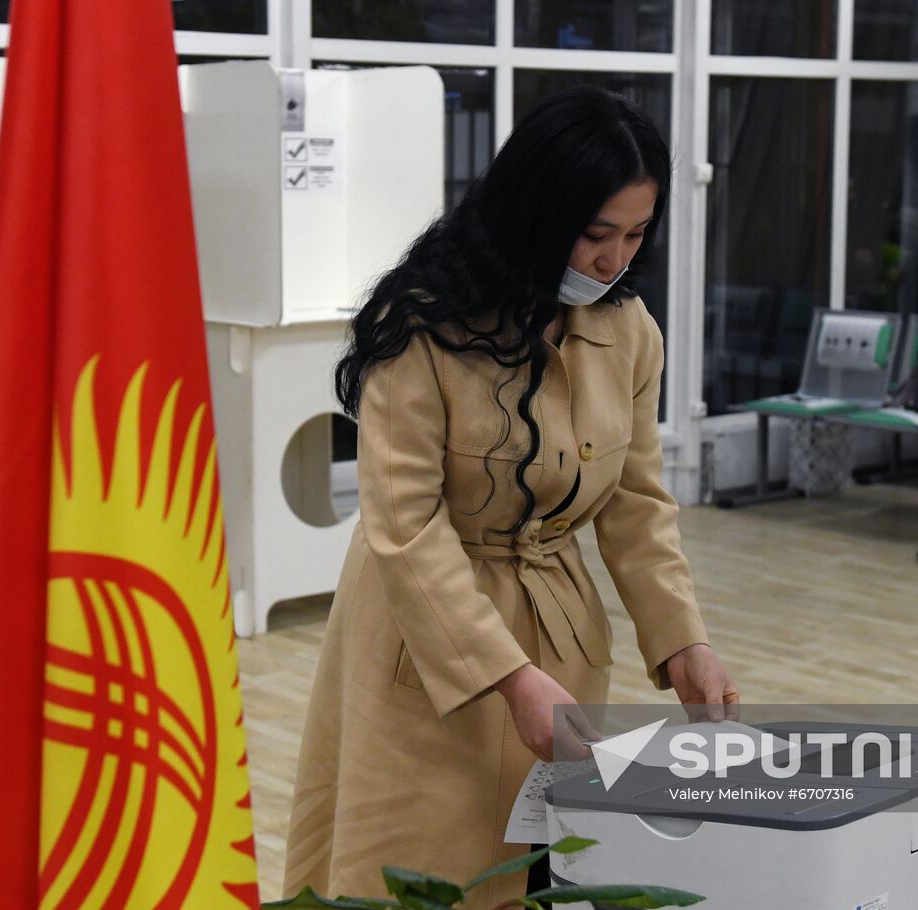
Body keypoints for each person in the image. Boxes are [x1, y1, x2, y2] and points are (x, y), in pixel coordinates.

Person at [282, 87, 739, 906]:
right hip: (423, 649)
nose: (614, 260)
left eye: (636, 235)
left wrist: (683, 642)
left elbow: (635, 503)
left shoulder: (627, 331)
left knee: (536, 872)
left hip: (559, 643)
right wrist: (507, 676)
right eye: (597, 234)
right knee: (410, 870)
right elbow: (405, 527)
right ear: (535, 210)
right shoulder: (422, 326)